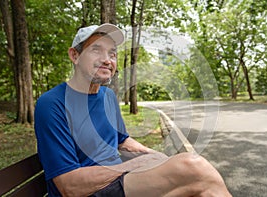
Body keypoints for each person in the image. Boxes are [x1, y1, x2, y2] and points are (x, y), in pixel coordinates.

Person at [34, 23, 232, 197]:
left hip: (119, 180)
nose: (107, 59)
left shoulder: (108, 97)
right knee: (195, 169)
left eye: (112, 53)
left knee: (199, 185)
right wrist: (132, 165)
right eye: (96, 50)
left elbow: (122, 140)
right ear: (74, 55)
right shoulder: (52, 104)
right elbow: (70, 186)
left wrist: (155, 156)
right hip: (92, 190)